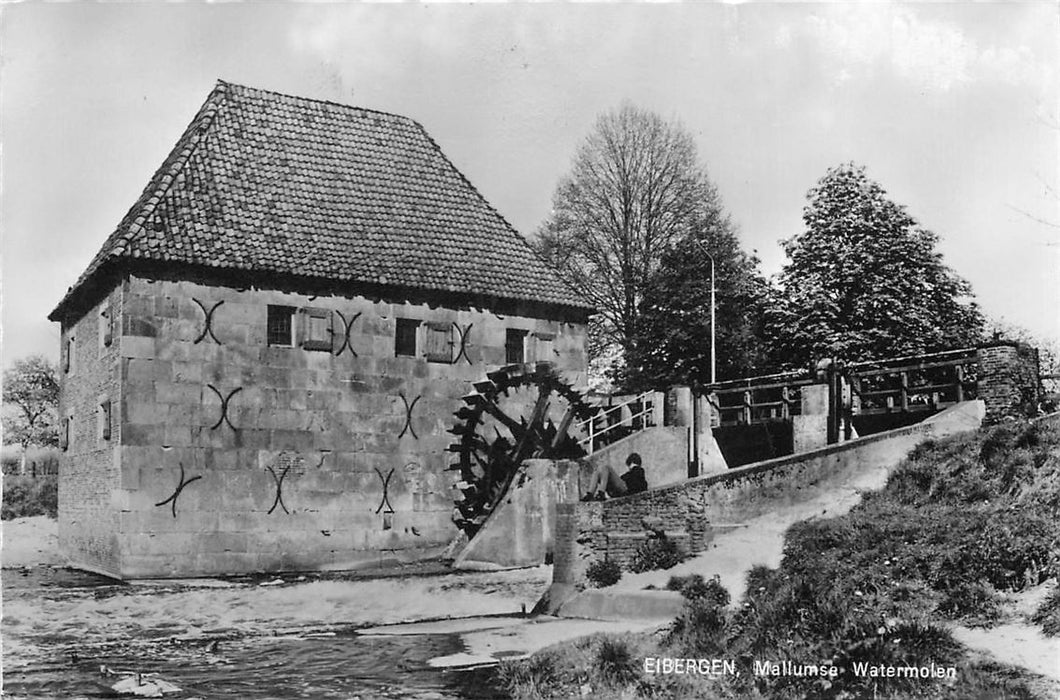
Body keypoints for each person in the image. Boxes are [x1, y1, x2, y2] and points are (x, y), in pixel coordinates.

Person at [581, 452, 647, 501]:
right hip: (620, 490)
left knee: (606, 467)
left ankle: (599, 493)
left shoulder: (638, 470)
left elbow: (640, 484)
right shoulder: (630, 473)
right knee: (597, 471)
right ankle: (590, 494)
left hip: (626, 490)